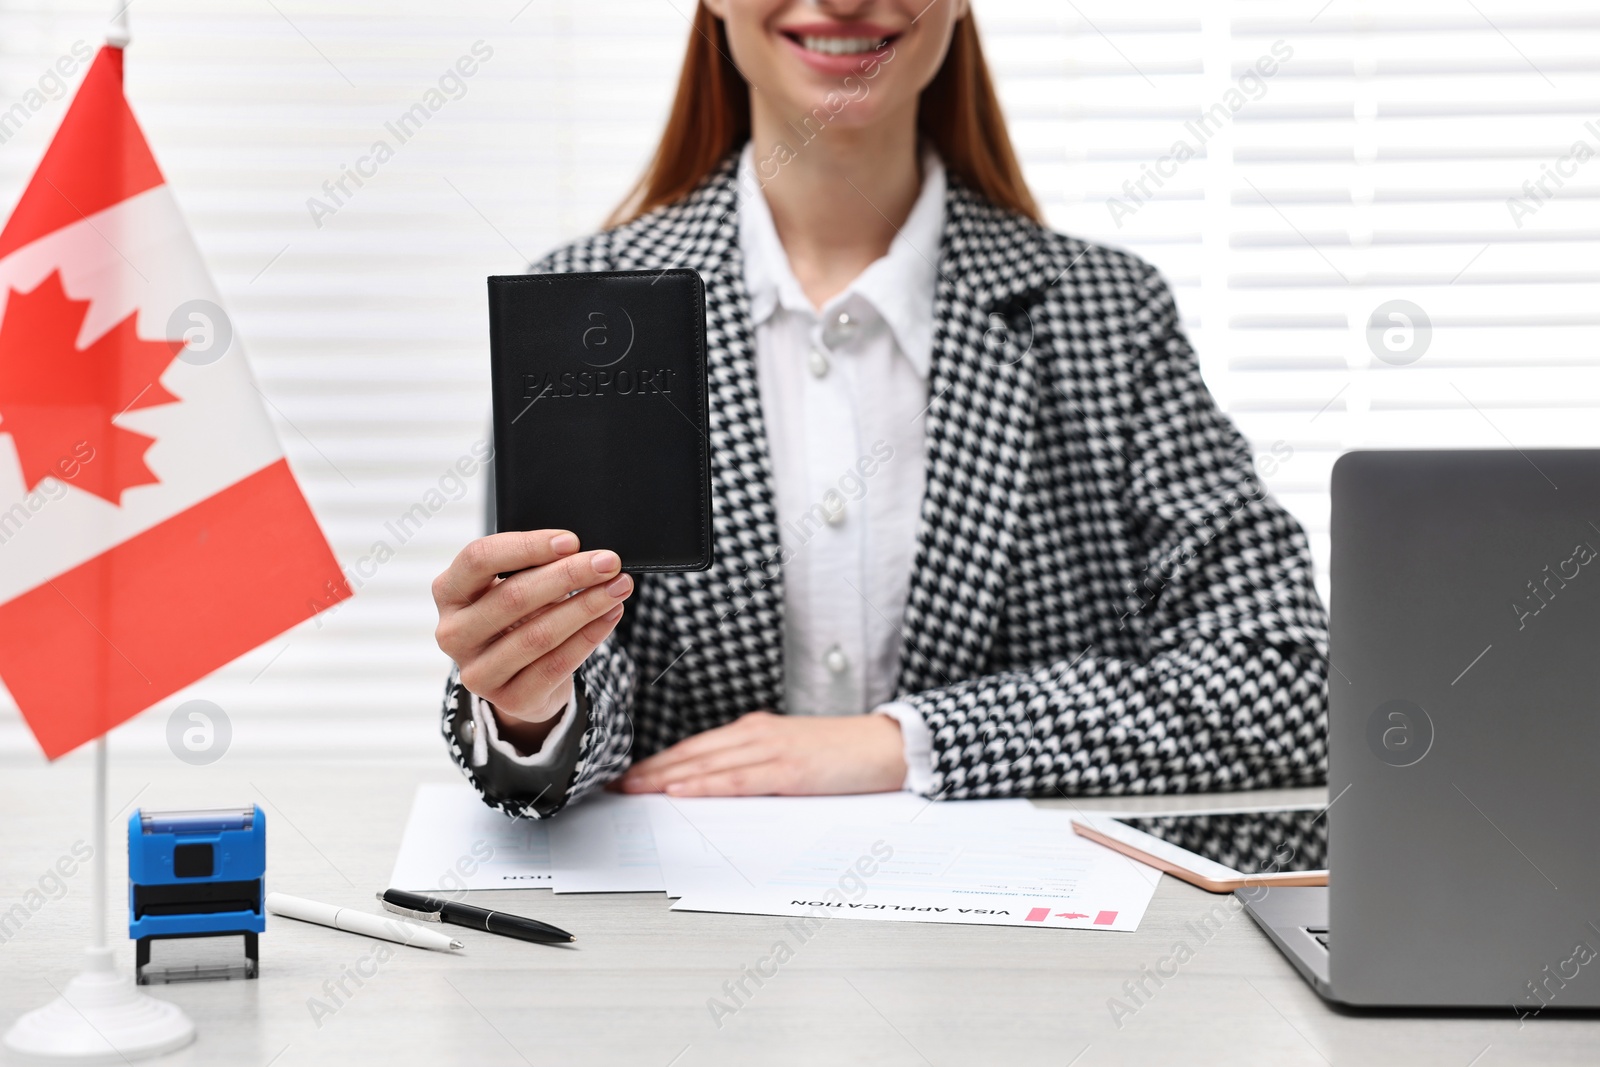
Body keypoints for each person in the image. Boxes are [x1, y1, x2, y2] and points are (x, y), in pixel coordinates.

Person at [430, 0, 1329, 819]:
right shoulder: (585, 312)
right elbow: (579, 690)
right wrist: (532, 703)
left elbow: (1286, 678)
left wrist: (907, 743)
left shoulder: (1108, 314)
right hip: (680, 960)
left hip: (1029, 970)